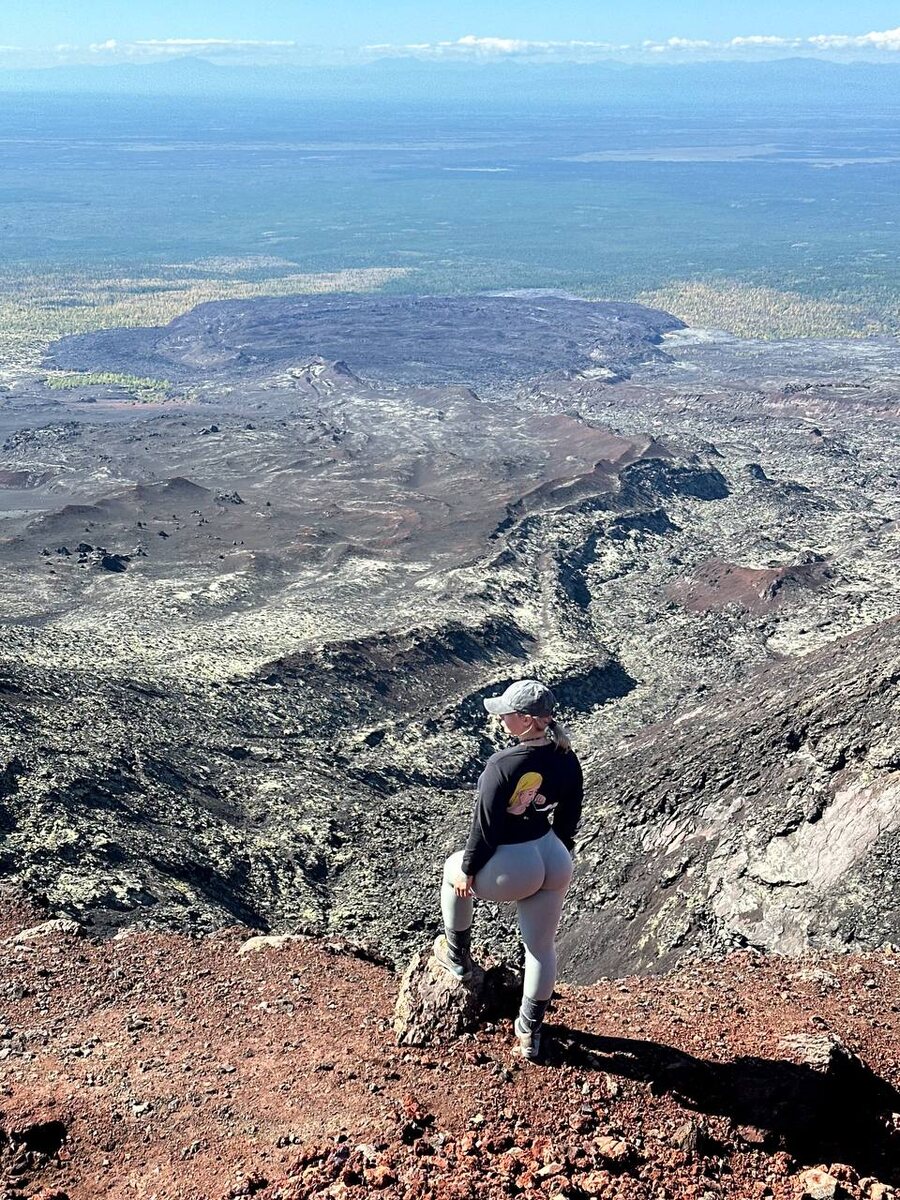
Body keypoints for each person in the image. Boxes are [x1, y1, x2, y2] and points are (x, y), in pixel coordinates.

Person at [434, 679, 583, 1061]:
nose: (501, 718)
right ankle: (529, 1032)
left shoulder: (502, 765)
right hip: (553, 857)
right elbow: (569, 814)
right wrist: (558, 849)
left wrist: (468, 870)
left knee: (452, 874)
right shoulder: (566, 757)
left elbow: (484, 829)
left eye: (508, 713)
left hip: (517, 865)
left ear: (529, 721)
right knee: (541, 949)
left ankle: (459, 961)